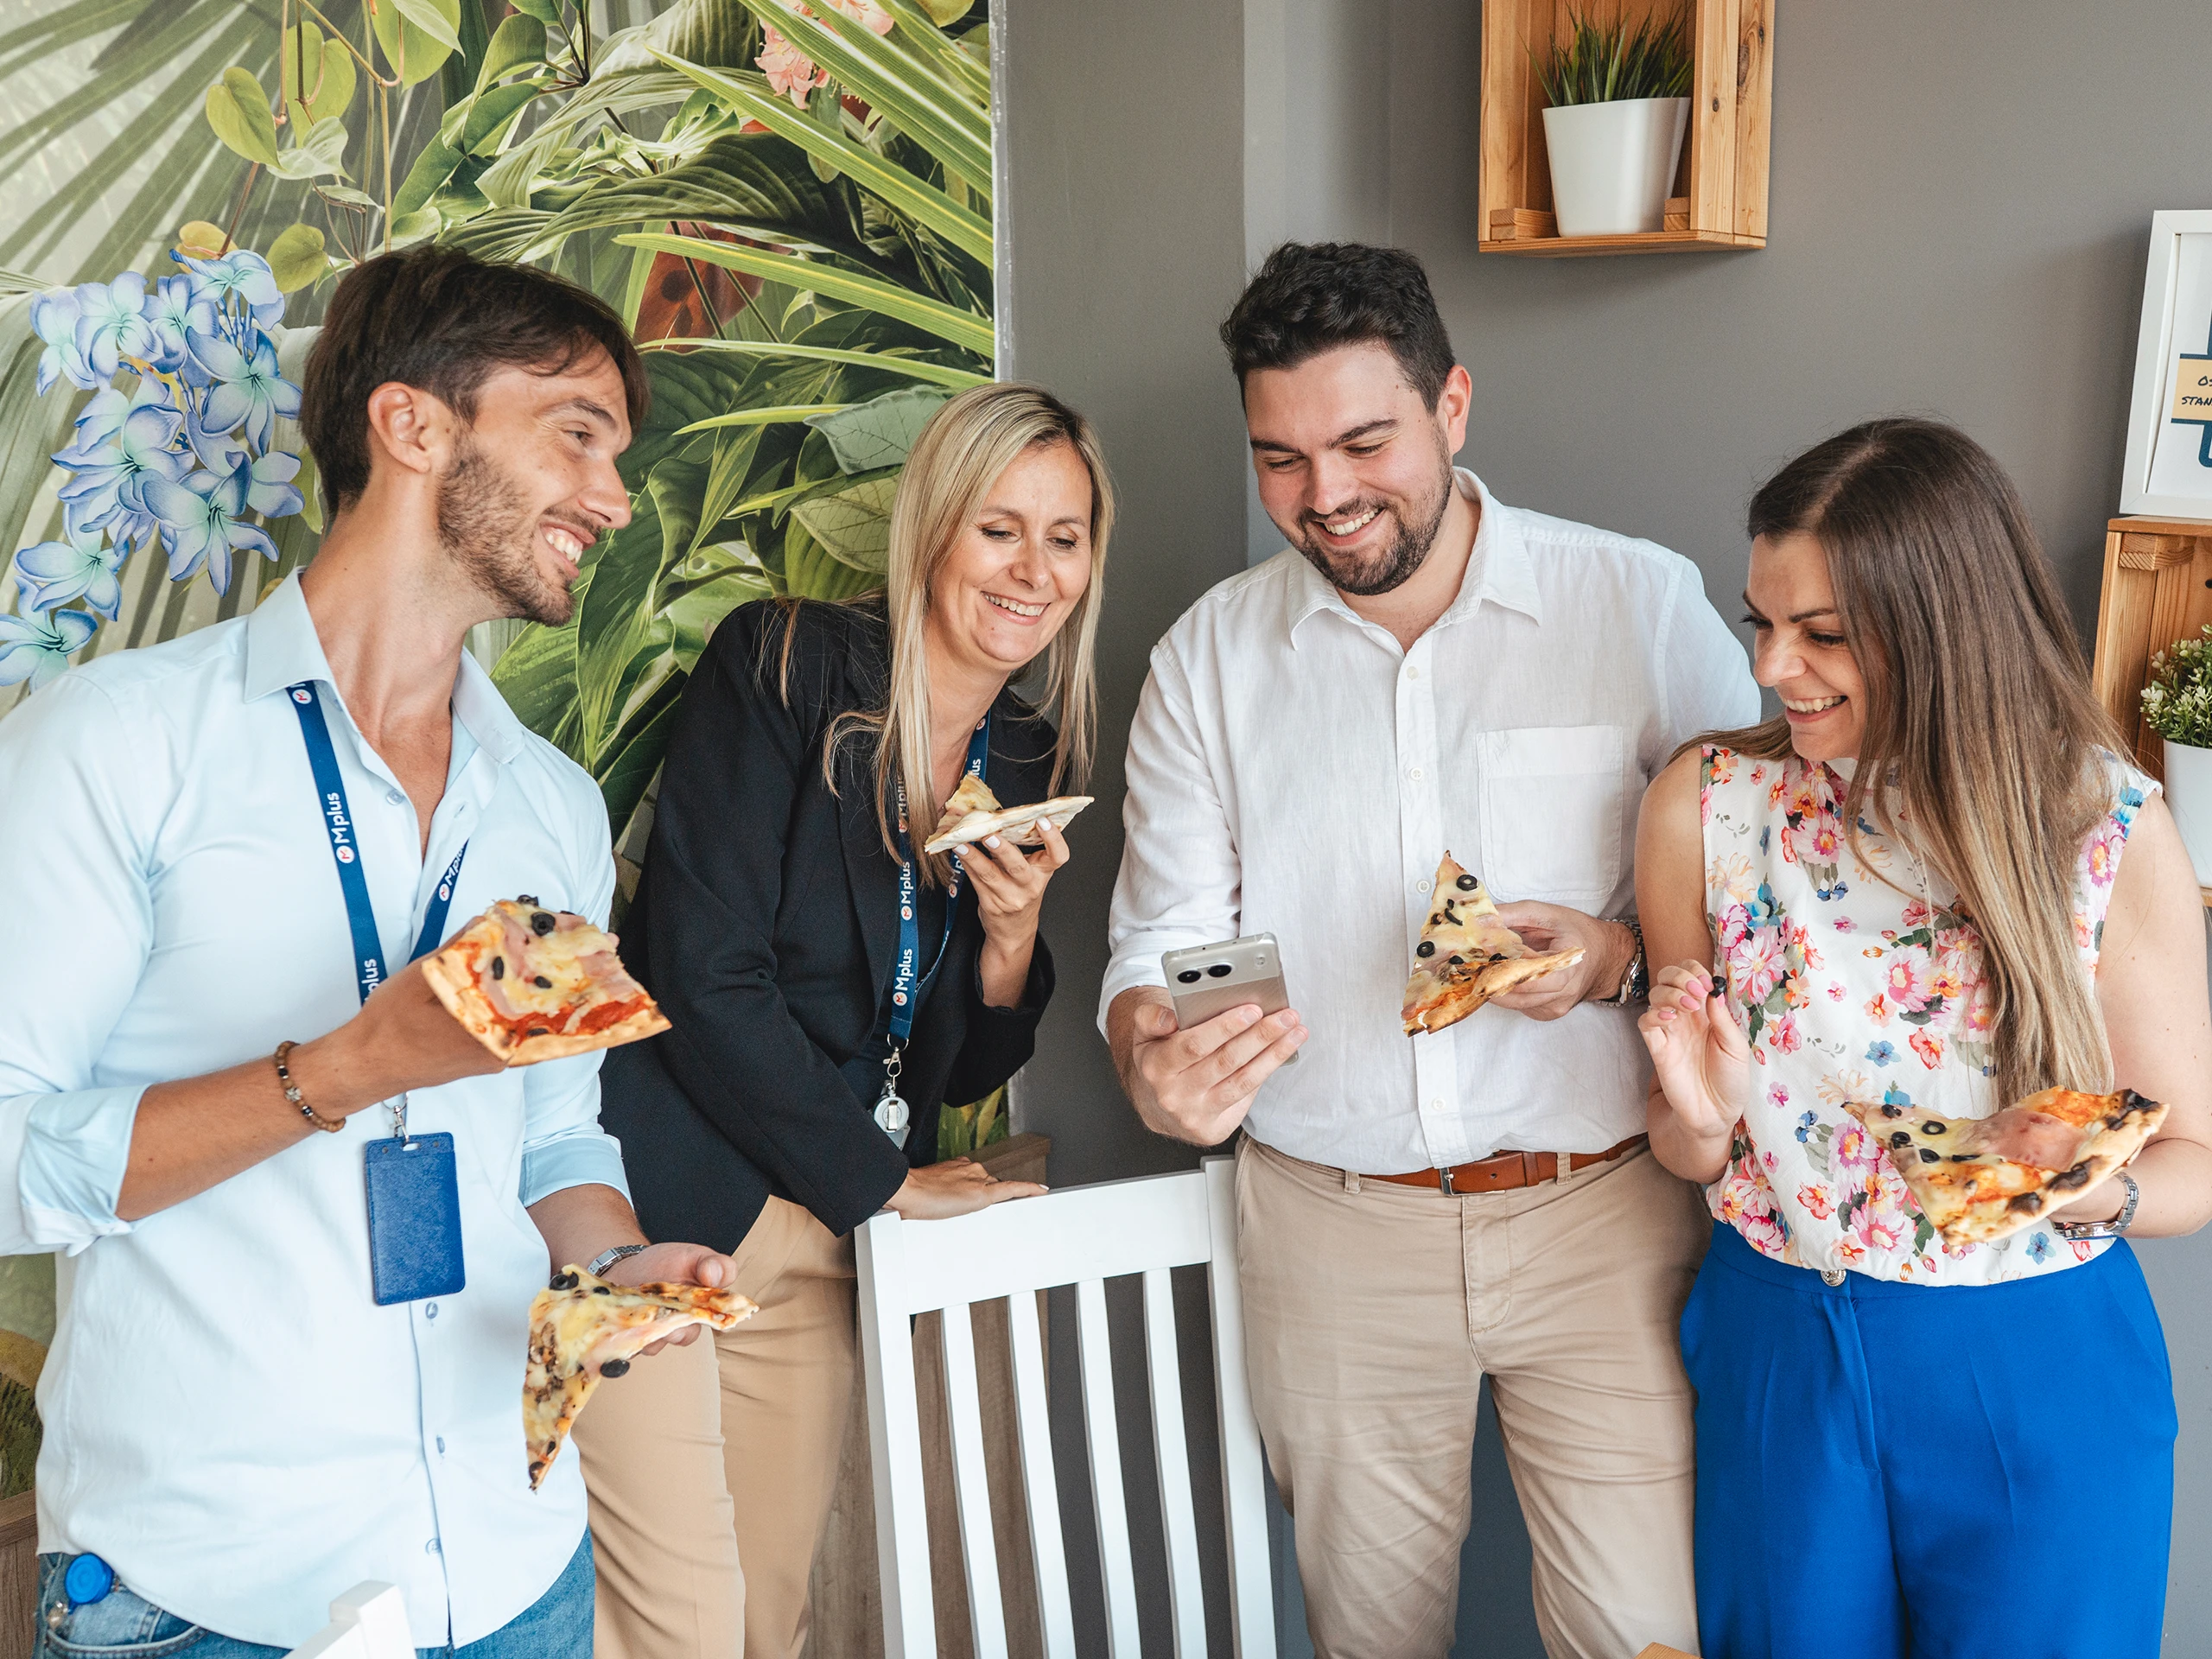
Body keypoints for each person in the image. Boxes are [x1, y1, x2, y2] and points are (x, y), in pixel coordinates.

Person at [0, 246, 736, 1657]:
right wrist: (344, 1070)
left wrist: (617, 1262)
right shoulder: (114, 747)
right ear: (412, 426)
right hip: (209, 1600)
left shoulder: (550, 807)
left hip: (521, 1571)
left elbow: (553, 1140)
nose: (615, 498)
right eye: (577, 435)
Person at [1100, 239, 1757, 1659]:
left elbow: (1759, 906)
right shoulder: (1206, 661)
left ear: (1454, 402)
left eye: (1363, 441)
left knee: (1646, 1634)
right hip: (1330, 1225)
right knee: (1367, 1639)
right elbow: (1169, 945)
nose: (1325, 496)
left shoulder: (1637, 606)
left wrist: (1613, 957)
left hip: (1605, 1219)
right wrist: (1163, 1058)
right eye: (1280, 459)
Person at [1636, 418, 2212, 1659]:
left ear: (1946, 624)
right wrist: (1697, 1111)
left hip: (2037, 1363)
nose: (1771, 668)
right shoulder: (1705, 806)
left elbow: (2196, 1165)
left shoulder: (2103, 825)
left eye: (1823, 634)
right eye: (1761, 623)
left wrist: (2072, 1190)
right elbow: (1691, 1156)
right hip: (1780, 1340)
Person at [578, 382, 1112, 1658]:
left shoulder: (1025, 755)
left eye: (1066, 536)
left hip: (827, 1227)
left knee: (774, 1614)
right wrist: (882, 1182)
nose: (1032, 571)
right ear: (931, 527)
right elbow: (704, 977)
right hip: (666, 1199)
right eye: (999, 528)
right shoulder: (784, 662)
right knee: (671, 1630)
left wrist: (1013, 933)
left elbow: (975, 1054)